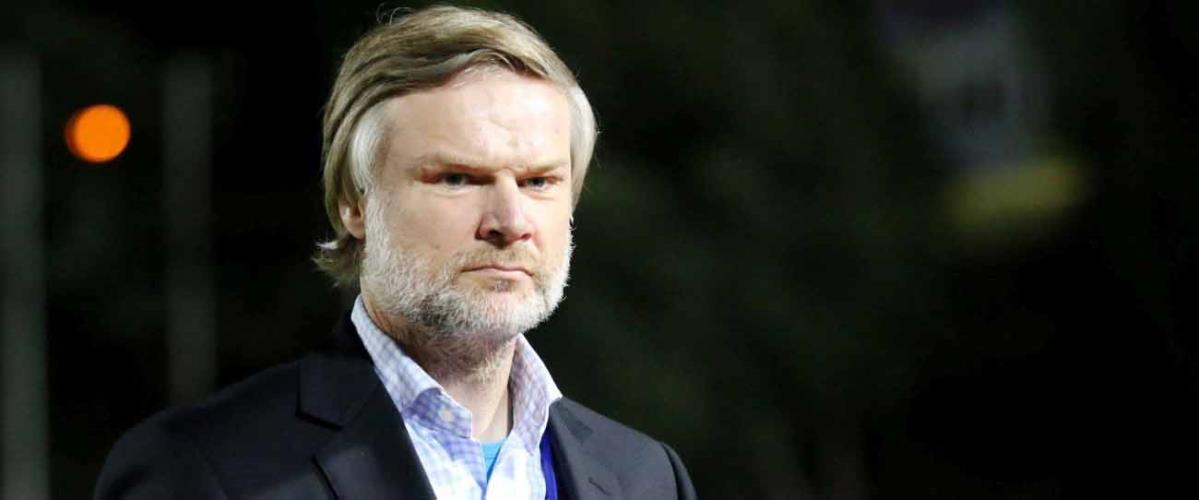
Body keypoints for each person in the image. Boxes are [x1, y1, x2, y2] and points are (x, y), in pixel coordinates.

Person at [94, 5, 696, 500]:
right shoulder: (200, 469)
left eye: (539, 181)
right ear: (354, 203)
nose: (510, 223)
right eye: (456, 178)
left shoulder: (646, 478)